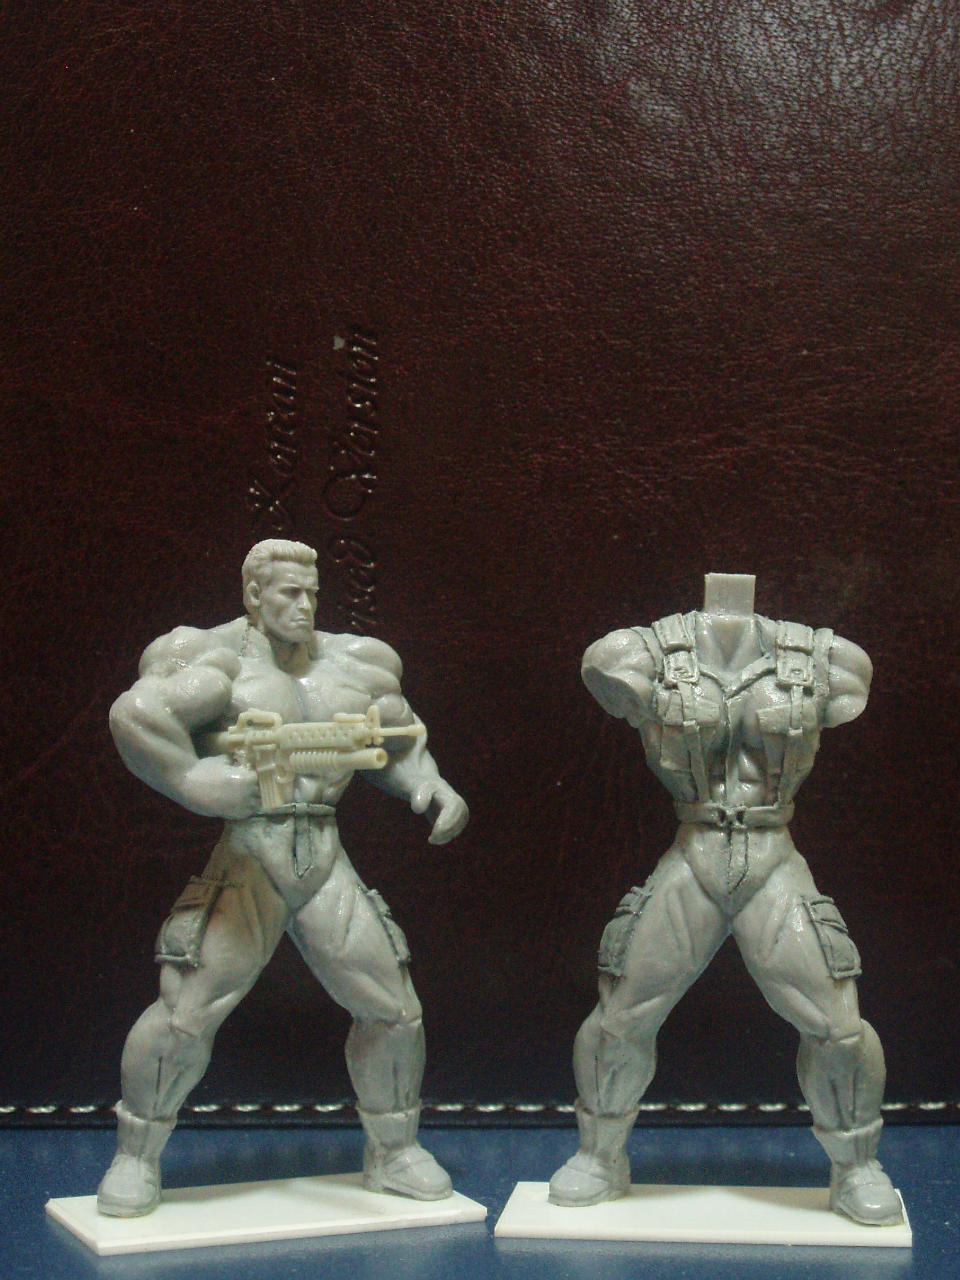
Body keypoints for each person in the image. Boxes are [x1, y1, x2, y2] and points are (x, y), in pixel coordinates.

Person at [97, 538, 468, 1217]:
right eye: (288, 593)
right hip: (252, 852)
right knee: (184, 1016)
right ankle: (136, 1156)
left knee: (394, 1009)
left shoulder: (357, 662)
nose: (303, 605)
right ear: (253, 595)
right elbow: (136, 716)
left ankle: (394, 1151)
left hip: (322, 853)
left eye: (311, 593)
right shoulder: (212, 660)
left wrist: (429, 784)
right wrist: (193, 779)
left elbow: (397, 737)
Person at [549, 573, 901, 1226]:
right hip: (695, 852)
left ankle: (856, 1165)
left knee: (839, 1025)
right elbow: (606, 673)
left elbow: (845, 695)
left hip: (773, 857)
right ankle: (599, 1155)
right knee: (621, 1016)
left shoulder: (829, 660)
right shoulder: (637, 654)